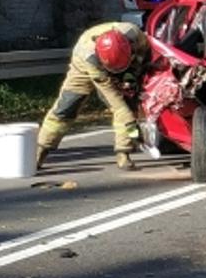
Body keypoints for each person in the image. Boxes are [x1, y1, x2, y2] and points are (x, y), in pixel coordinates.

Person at [36, 22, 150, 172]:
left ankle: (124, 153)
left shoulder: (135, 34)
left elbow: (142, 58)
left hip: (125, 64)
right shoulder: (90, 57)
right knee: (68, 105)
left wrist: (130, 79)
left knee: (128, 100)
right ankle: (41, 151)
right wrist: (132, 125)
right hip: (83, 65)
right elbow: (114, 99)